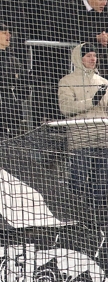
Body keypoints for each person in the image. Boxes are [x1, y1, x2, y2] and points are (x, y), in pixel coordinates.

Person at [58, 43, 108, 210]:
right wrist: (92, 102)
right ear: (78, 59)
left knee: (101, 184)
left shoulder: (104, 82)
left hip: (104, 139)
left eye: (94, 55)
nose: (93, 59)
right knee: (78, 181)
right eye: (88, 55)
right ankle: (75, 213)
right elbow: (66, 108)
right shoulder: (67, 81)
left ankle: (96, 218)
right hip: (81, 140)